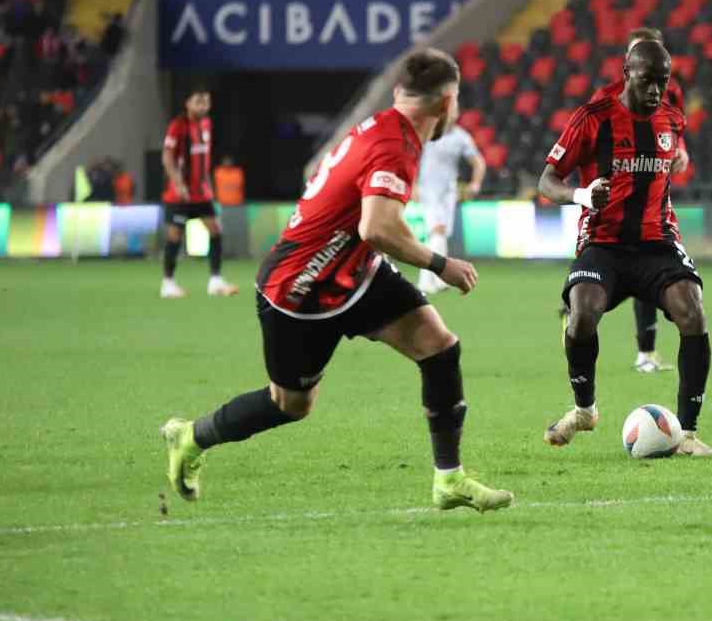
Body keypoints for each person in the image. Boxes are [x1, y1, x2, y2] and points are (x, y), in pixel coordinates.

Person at [160, 48, 513, 513]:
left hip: (356, 274)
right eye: (459, 100)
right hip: (298, 291)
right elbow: (377, 228)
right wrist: (438, 263)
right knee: (289, 404)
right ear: (447, 103)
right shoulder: (396, 145)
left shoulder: (385, 127)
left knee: (440, 347)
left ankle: (448, 479)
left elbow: (372, 224)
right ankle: (192, 436)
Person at [538, 38, 712, 456]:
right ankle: (584, 411)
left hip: (657, 242)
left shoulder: (673, 120)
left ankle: (687, 435)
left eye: (663, 81)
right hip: (604, 243)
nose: (655, 90)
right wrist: (582, 196)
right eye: (646, 80)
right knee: (582, 316)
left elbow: (676, 153)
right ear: (626, 74)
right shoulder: (592, 118)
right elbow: (547, 181)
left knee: (693, 312)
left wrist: (682, 158)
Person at [589, 26, 689, 373]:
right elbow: (585, 147)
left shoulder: (670, 94)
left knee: (651, 274)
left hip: (652, 203)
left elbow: (676, 134)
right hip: (611, 209)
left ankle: (645, 353)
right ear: (627, 64)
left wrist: (681, 153)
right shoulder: (604, 99)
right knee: (596, 291)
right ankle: (577, 319)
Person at [159, 87, 238, 299]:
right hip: (180, 194)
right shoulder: (178, 126)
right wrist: (178, 183)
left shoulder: (206, 124)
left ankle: (215, 281)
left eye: (206, 102)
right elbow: (167, 157)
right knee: (175, 234)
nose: (202, 106)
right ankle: (168, 283)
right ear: (188, 103)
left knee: (215, 231)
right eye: (198, 102)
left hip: (201, 193)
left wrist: (208, 184)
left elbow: (202, 159)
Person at [415, 115, 486, 296]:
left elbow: (478, 162)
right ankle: (425, 282)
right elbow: (412, 157)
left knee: (440, 235)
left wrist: (475, 184)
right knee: (437, 232)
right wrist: (413, 184)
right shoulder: (428, 133)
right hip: (427, 190)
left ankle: (438, 280)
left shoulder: (461, 137)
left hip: (448, 192)